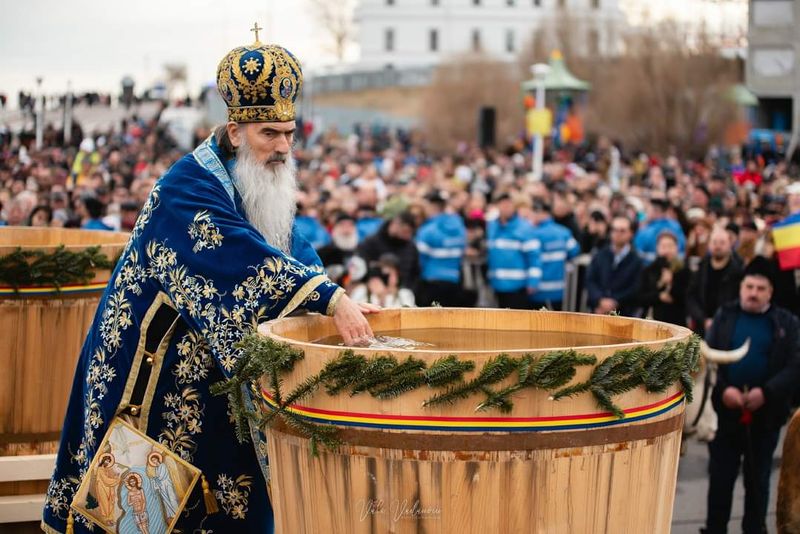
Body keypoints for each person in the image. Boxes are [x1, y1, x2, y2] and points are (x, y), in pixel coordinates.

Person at [42, 34, 375, 533]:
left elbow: (285, 248)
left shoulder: (252, 181)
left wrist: (336, 296)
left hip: (210, 384)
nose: (284, 146)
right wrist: (327, 297)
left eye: (289, 133)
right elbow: (234, 254)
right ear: (236, 131)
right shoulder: (187, 185)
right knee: (143, 516)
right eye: (270, 134)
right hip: (148, 384)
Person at [703, 257, 800, 534]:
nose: (753, 293)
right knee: (720, 479)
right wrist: (724, 390)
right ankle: (714, 529)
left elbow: (795, 365)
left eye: (760, 288)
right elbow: (708, 360)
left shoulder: (787, 322)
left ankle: (754, 529)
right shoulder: (725, 315)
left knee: (757, 482)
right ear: (741, 287)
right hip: (726, 414)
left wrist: (766, 393)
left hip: (765, 417)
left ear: (770, 292)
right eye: (749, 286)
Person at [486, 193, 540, 309]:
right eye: (503, 204)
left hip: (517, 287)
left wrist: (533, 281)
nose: (506, 207)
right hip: (496, 286)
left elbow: (534, 257)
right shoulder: (492, 226)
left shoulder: (524, 228)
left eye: (509, 204)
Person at [687, 226, 743, 336]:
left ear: (730, 245)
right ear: (709, 245)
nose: (718, 246)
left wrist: (718, 320)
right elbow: (691, 296)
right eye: (714, 242)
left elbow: (737, 300)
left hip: (727, 328)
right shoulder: (700, 268)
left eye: (722, 242)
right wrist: (702, 319)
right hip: (701, 327)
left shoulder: (738, 272)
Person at [414, 190, 467, 307]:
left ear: (432, 206)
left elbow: (419, 259)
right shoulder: (459, 226)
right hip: (454, 279)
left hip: (431, 281)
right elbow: (462, 251)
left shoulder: (427, 230)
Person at [526, 199, 580, 310]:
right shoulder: (563, 232)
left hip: (538, 290)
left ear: (540, 212)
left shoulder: (532, 233)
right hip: (559, 289)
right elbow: (575, 250)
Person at [585, 215, 643, 316]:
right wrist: (600, 300)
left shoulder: (636, 260)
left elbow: (635, 288)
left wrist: (615, 302)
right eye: (615, 230)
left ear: (631, 233)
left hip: (624, 314)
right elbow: (590, 280)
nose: (618, 234)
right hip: (598, 311)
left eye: (622, 231)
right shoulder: (600, 255)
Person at [636, 232, 689, 326]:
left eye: (670, 246)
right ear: (657, 248)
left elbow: (687, 297)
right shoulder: (649, 270)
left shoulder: (684, 270)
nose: (667, 250)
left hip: (677, 321)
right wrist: (659, 296)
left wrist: (672, 283)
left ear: (677, 248)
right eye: (663, 246)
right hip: (652, 321)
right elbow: (640, 298)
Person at [633, 197, 686, 264]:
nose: (646, 214)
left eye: (647, 210)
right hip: (675, 268)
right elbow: (682, 250)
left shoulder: (645, 230)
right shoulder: (676, 226)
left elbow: (637, 254)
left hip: (650, 270)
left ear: (655, 211)